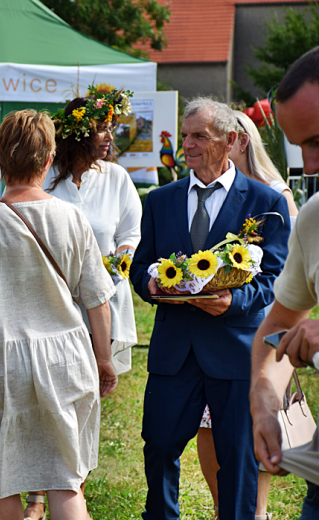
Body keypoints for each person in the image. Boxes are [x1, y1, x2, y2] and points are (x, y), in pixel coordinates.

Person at [0, 109, 117, 520]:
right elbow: (98, 299)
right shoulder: (73, 217)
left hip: (1, 361)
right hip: (68, 356)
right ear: (49, 158)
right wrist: (103, 358)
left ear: (0, 157)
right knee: (64, 480)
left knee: (1, 479)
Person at [130, 97, 290, 520]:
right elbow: (142, 264)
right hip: (174, 352)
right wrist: (147, 281)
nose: (188, 145)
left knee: (237, 458)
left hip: (236, 352)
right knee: (160, 443)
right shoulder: (161, 200)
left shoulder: (264, 201)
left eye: (199, 135)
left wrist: (232, 301)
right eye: (185, 136)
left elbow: (275, 281)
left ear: (232, 139)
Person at [22, 90, 141, 520]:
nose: (109, 137)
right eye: (101, 129)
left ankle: (69, 492)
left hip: (101, 303)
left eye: (111, 128)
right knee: (43, 402)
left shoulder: (117, 179)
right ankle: (39, 495)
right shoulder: (42, 176)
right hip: (50, 306)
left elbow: (130, 231)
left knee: (82, 407)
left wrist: (120, 257)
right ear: (77, 134)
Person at [197, 109, 299, 520]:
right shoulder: (203, 188)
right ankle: (225, 506)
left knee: (256, 420)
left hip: (258, 327)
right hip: (208, 327)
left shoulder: (274, 193)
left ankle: (255, 512)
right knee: (208, 425)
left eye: (213, 135)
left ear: (237, 139)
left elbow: (289, 273)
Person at [250, 45, 319, 520]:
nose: (310, 165)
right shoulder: (314, 219)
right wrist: (264, 399)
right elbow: (277, 328)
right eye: (302, 146)